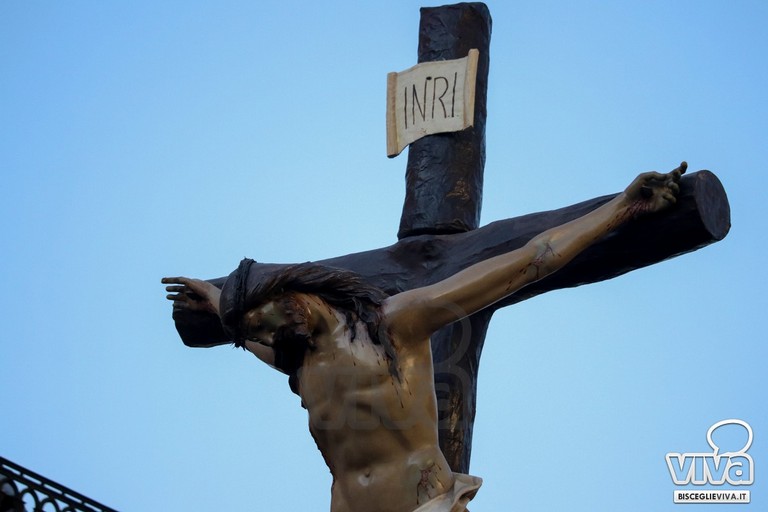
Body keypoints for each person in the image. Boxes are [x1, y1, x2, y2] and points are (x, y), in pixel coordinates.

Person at [163, 165, 685, 512]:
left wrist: (621, 207)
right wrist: (215, 299)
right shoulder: (298, 361)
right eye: (254, 331)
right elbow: (244, 334)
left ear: (288, 295)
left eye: (262, 320)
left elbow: (534, 259)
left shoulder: (397, 323)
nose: (265, 334)